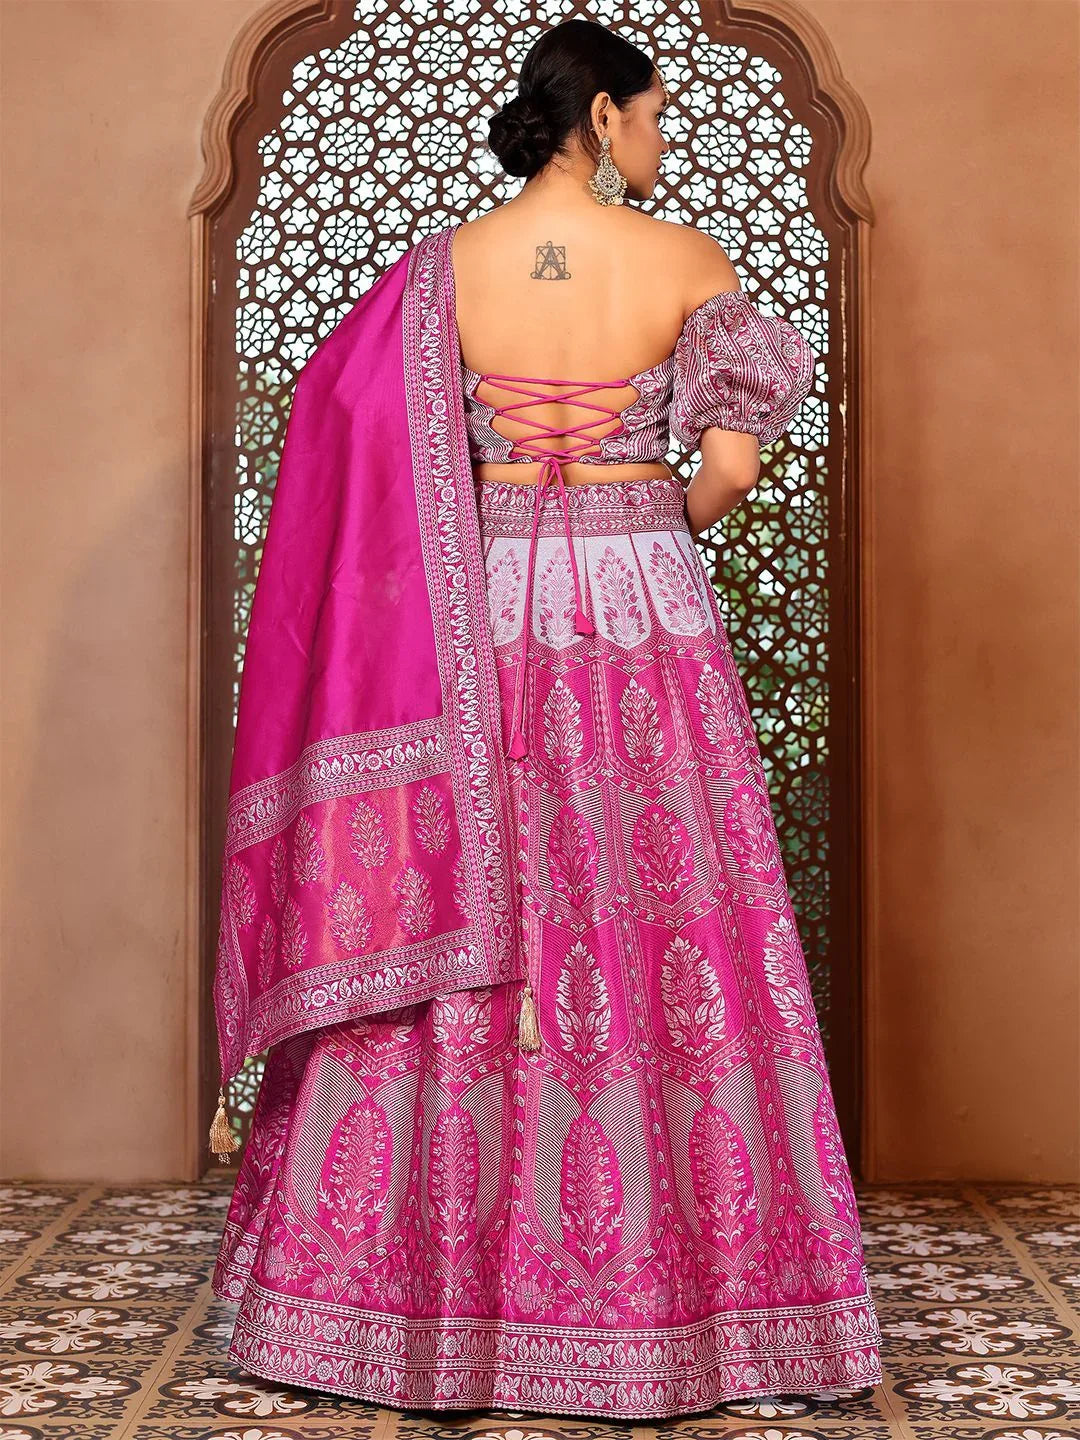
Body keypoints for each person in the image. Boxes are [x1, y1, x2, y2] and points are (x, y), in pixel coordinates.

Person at [209, 17, 882, 1419]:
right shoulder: (688, 263)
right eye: (651, 114)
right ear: (604, 119)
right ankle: (689, 1295)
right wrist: (630, 523)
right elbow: (732, 469)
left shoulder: (438, 273)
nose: (661, 136)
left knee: (473, 903)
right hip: (642, 612)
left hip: (477, 612)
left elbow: (376, 478)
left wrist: (499, 540)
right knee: (660, 908)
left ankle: (401, 1309)